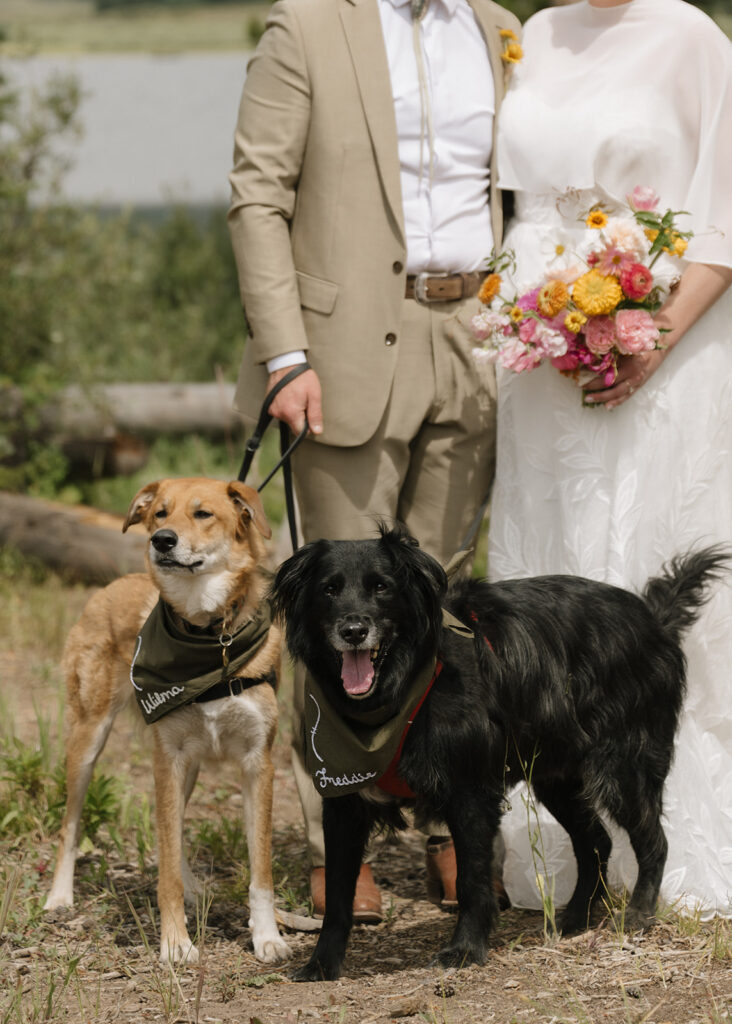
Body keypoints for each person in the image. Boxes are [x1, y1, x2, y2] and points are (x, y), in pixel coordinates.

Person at [228, 0, 521, 920]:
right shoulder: (308, 25)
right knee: (337, 609)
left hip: (476, 341)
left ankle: (446, 828)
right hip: (337, 354)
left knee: (442, 609)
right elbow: (257, 194)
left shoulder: (496, 26)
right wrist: (285, 355)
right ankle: (335, 849)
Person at [488, 0, 732, 918]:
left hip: (660, 336)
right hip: (538, 355)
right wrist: (532, 311)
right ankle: (562, 842)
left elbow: (724, 214)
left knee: (649, 555)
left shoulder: (692, 36)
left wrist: (653, 333)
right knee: (553, 562)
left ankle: (676, 837)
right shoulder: (534, 31)